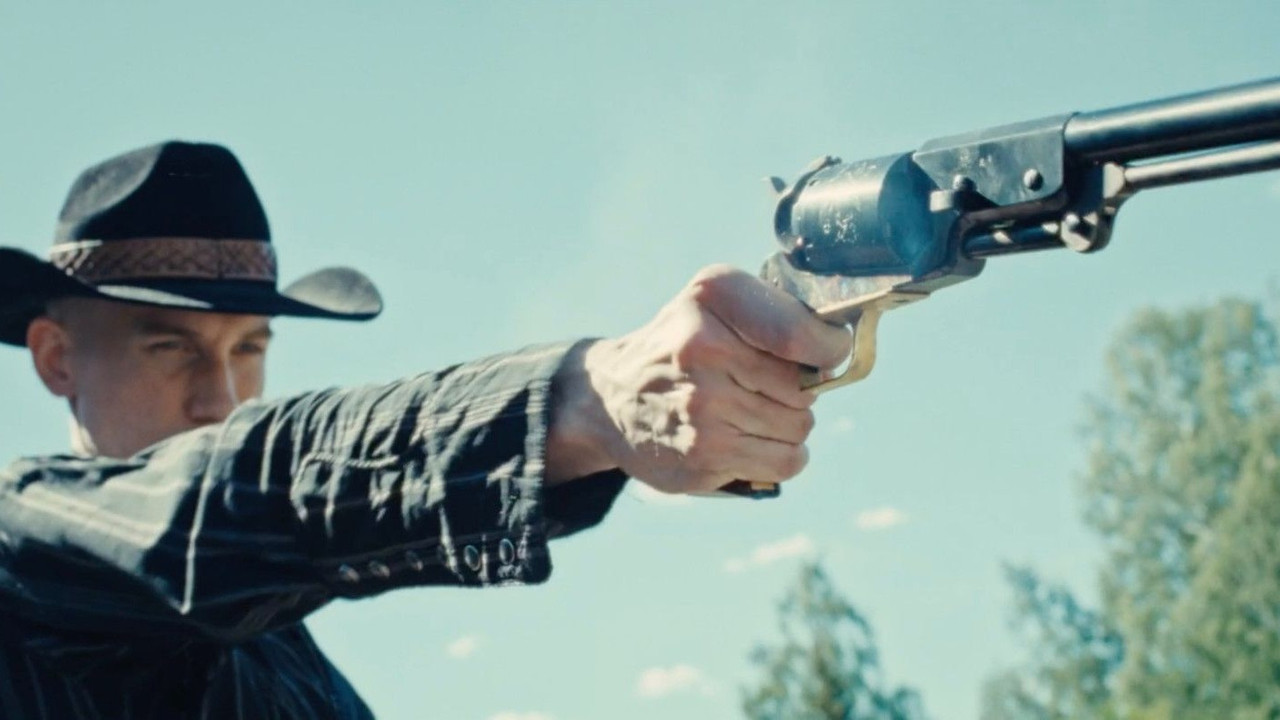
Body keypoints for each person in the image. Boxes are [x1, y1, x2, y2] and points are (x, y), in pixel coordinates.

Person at [0, 141, 851, 719]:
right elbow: (224, 500)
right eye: (170, 348)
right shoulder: (21, 539)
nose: (220, 399)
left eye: (249, 349)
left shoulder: (300, 665)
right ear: (56, 359)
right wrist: (585, 403)